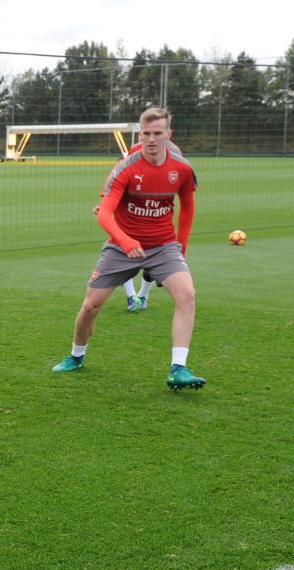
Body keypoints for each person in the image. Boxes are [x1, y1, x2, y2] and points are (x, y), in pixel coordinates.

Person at [53, 107, 204, 390]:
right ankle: (76, 356)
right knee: (91, 307)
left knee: (187, 295)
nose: (151, 139)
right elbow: (104, 213)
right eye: (145, 133)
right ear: (140, 134)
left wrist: (180, 248)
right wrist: (125, 241)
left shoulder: (182, 168)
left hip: (163, 246)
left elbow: (188, 208)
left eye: (157, 133)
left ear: (167, 135)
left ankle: (178, 369)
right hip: (122, 247)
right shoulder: (126, 167)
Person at [93, 138, 183, 313]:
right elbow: (120, 180)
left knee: (152, 260)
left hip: (157, 222)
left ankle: (143, 295)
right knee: (125, 254)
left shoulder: (175, 153)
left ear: (168, 131)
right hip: (129, 217)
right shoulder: (135, 151)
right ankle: (131, 295)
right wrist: (104, 203)